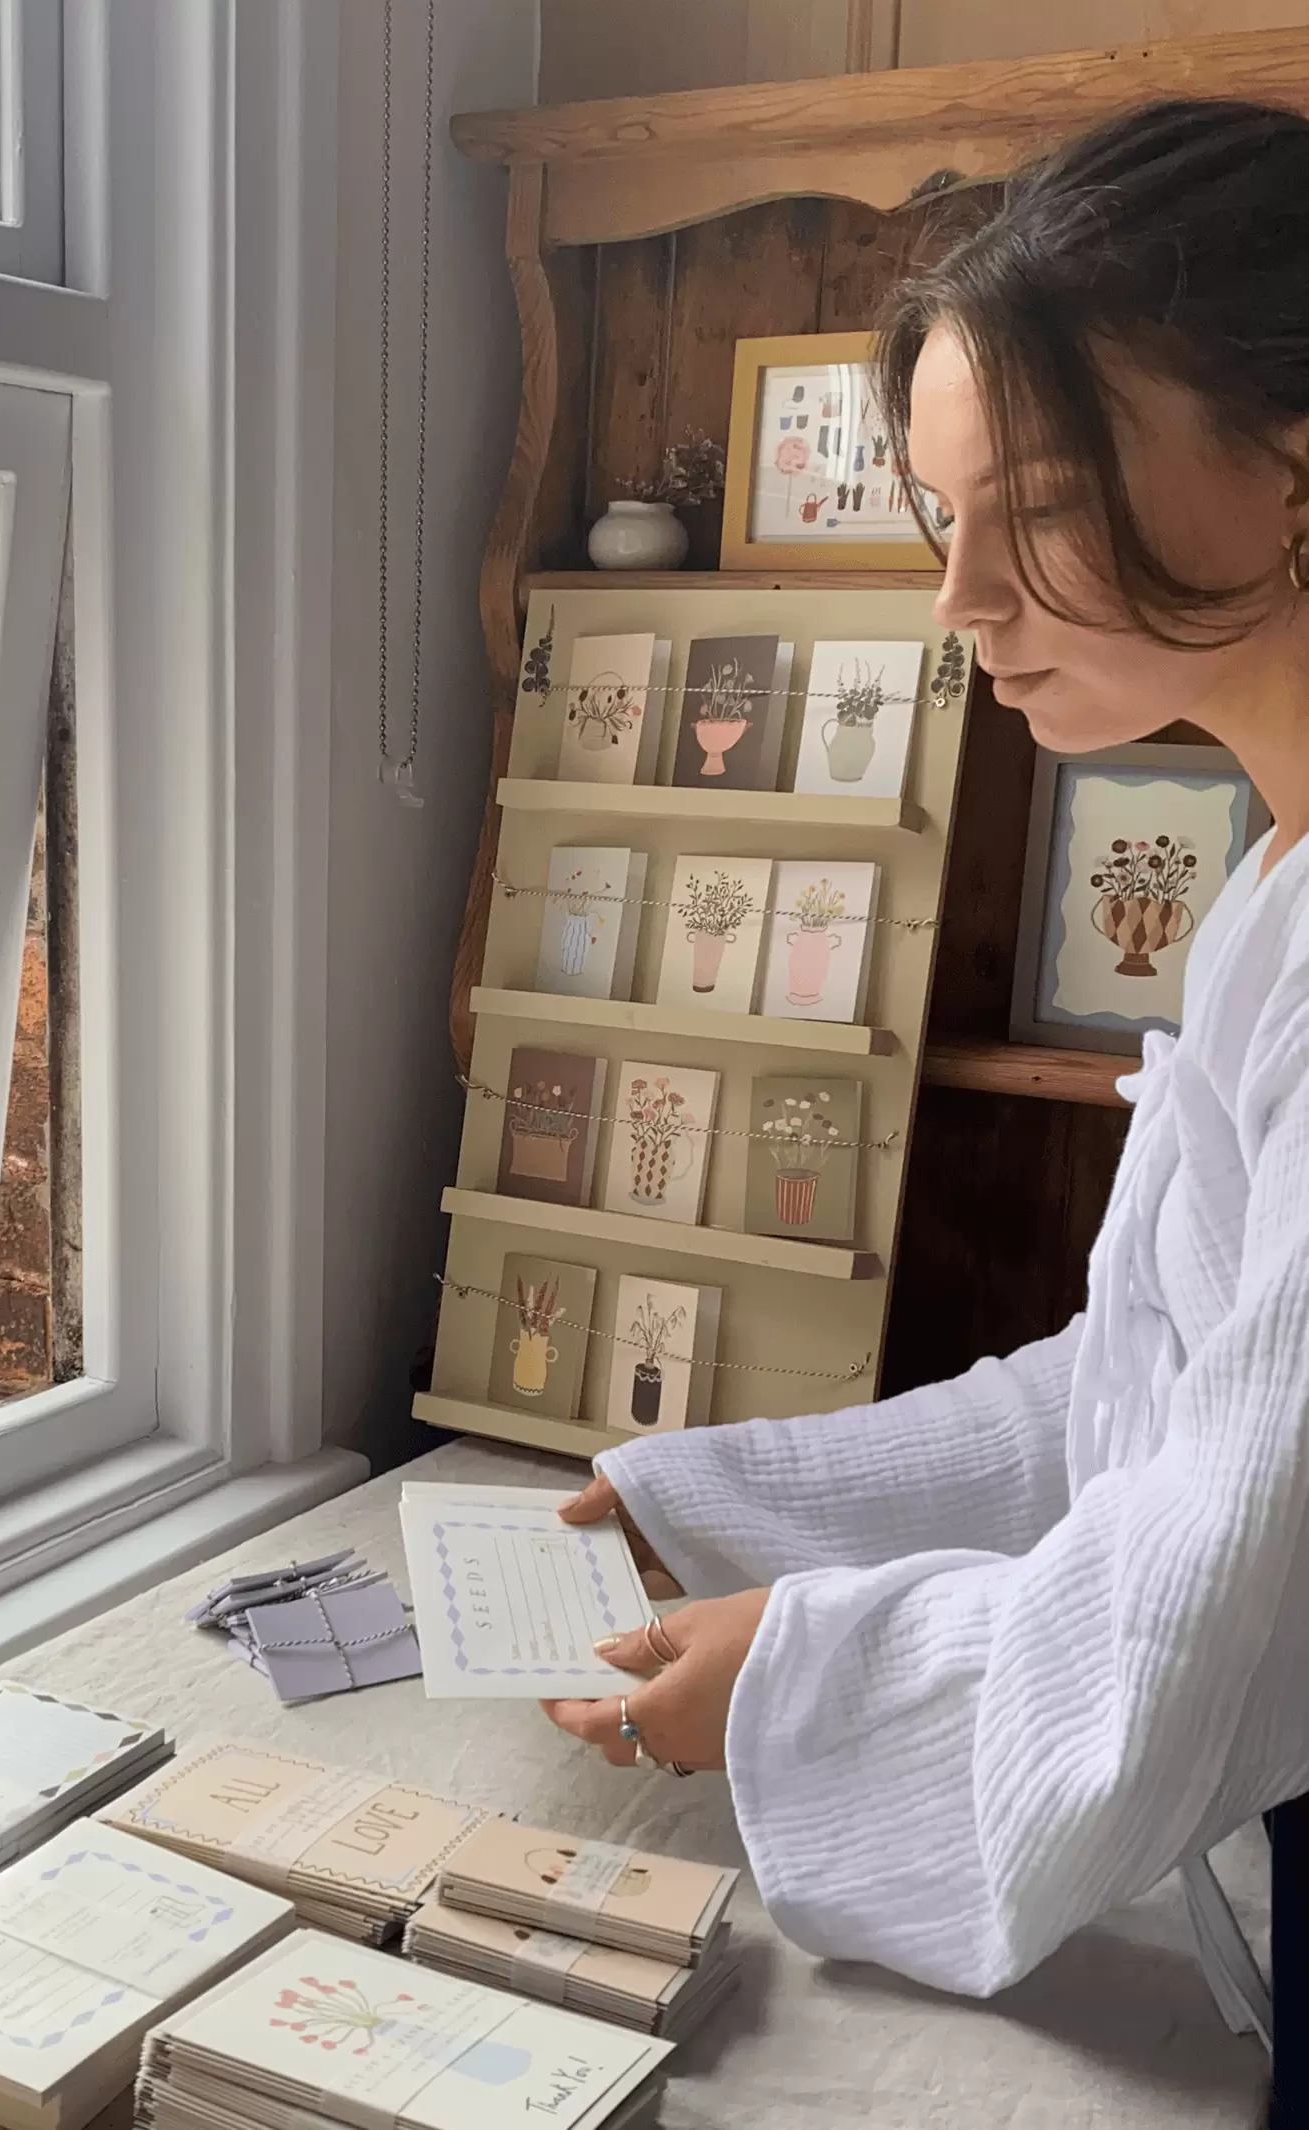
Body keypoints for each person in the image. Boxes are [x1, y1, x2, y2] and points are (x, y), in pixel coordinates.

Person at [538, 93, 1309, 2066]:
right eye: (941, 519)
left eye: (1035, 511)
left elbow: (1224, 1580)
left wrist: (798, 1669)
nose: (958, 609)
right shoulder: (1269, 886)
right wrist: (710, 1504)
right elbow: (1160, 1392)